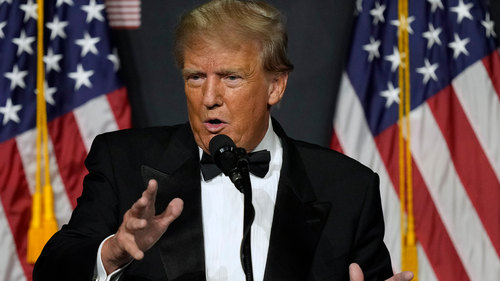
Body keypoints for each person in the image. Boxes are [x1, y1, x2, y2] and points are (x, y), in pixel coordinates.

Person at [33, 0, 414, 280]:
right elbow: (53, 267)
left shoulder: (349, 186)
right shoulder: (124, 162)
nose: (210, 96)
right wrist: (112, 252)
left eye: (231, 77)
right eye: (195, 77)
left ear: (276, 86)